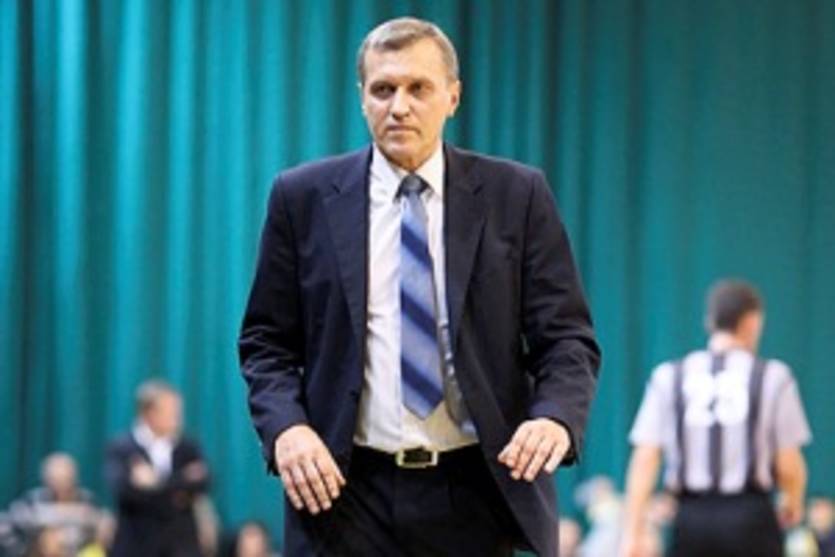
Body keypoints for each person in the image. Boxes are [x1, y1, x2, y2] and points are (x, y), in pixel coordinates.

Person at [238, 16, 600, 556]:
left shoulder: (516, 196)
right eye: (383, 89)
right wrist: (287, 428)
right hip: (344, 494)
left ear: (453, 97)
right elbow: (266, 342)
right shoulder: (301, 198)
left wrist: (554, 417)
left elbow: (567, 339)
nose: (399, 106)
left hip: (475, 491)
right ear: (362, 97)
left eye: (418, 88)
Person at [620, 279, 812, 557]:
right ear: (752, 322)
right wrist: (792, 501)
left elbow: (645, 459)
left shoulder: (669, 376)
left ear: (710, 322)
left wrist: (633, 532)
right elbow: (788, 463)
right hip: (751, 518)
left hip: (691, 520)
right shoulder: (774, 377)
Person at [105, 379, 210, 557]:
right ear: (150, 413)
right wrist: (179, 488)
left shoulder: (188, 447)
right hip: (137, 546)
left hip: (181, 547)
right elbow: (124, 491)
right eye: (171, 411)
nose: (177, 418)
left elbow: (203, 483)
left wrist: (154, 483)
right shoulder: (122, 448)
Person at [6, 453, 105, 556]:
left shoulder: (87, 499)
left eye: (66, 479)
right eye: (55, 479)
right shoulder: (33, 499)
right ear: (46, 479)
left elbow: (100, 521)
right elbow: (14, 519)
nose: (61, 485)